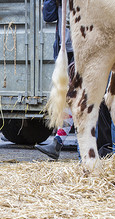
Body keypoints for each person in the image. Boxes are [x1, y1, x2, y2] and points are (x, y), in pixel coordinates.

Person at [35, 0, 74, 160]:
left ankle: (60, 143)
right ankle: (58, 142)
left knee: (75, 98)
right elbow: (48, 16)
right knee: (69, 98)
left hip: (81, 48)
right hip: (64, 49)